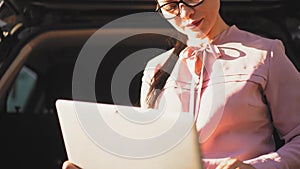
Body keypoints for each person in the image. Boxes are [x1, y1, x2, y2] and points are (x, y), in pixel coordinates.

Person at [63, 0, 300, 168]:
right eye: (170, 5)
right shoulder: (156, 69)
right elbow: (148, 155)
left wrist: (258, 167)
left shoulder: (265, 54)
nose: (185, 12)